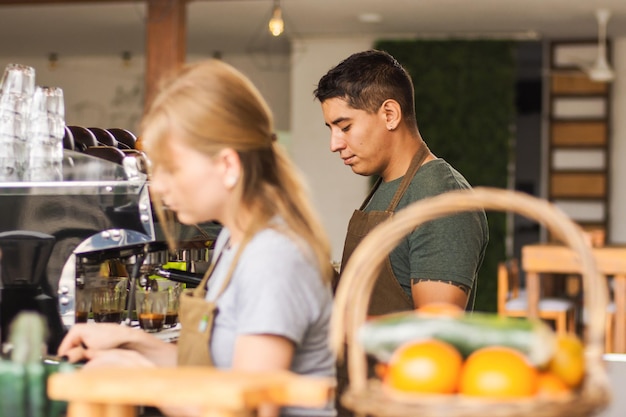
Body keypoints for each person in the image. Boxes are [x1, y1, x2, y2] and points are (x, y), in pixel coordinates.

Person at [58, 59, 336, 417]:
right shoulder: (233, 242)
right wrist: (133, 344)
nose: (157, 186)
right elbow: (217, 377)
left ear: (228, 166)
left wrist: (139, 378)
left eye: (172, 169)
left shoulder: (273, 256)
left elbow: (247, 409)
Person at [314, 50, 488, 416]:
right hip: (362, 398)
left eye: (345, 127)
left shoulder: (441, 198)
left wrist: (333, 326)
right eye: (331, 130)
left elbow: (436, 332)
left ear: (389, 114)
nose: (335, 144)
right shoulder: (384, 187)